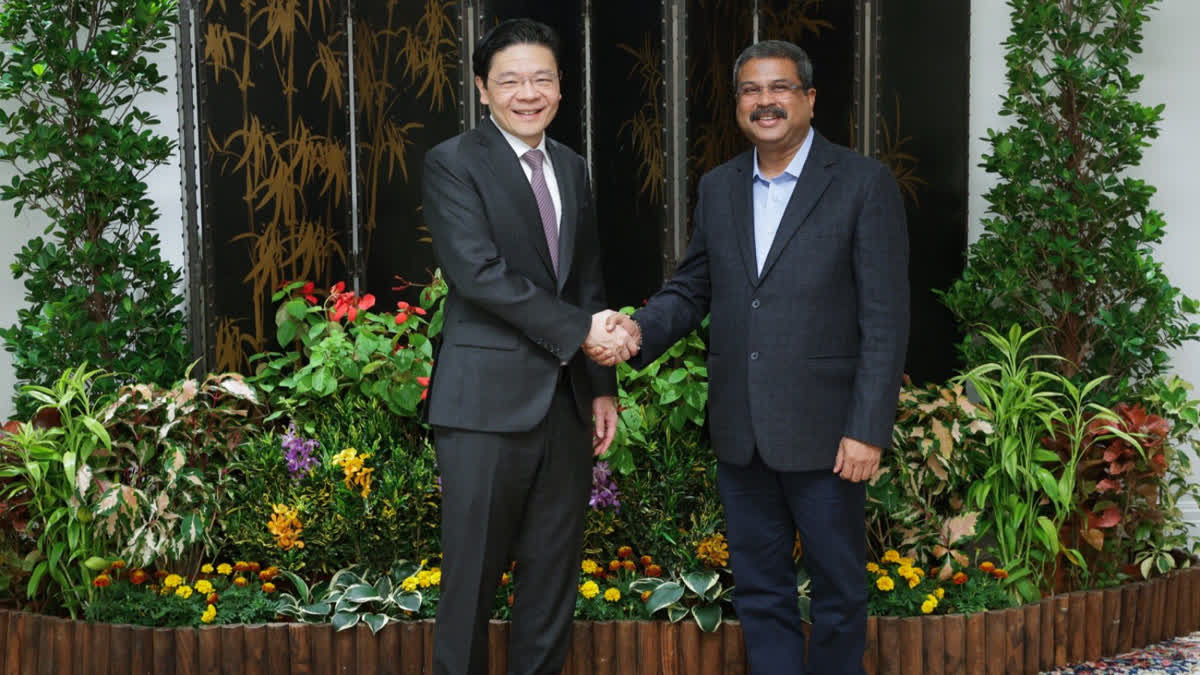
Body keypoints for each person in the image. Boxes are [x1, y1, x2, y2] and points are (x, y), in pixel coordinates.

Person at [597, 40, 909, 674]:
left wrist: (867, 428)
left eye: (780, 88)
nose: (765, 101)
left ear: (809, 99)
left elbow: (885, 317)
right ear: (738, 103)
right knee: (761, 591)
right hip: (742, 433)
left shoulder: (862, 184)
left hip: (829, 436)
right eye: (750, 90)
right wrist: (635, 330)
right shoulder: (720, 186)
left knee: (840, 592)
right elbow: (693, 287)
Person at [420, 18, 638, 675]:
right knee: (469, 592)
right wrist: (580, 333)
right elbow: (477, 274)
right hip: (484, 411)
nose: (527, 92)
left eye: (541, 78)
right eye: (510, 80)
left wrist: (602, 386)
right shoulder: (453, 162)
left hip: (566, 409)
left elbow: (588, 277)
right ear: (483, 89)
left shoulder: (571, 166)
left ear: (561, 88)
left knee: (550, 591)